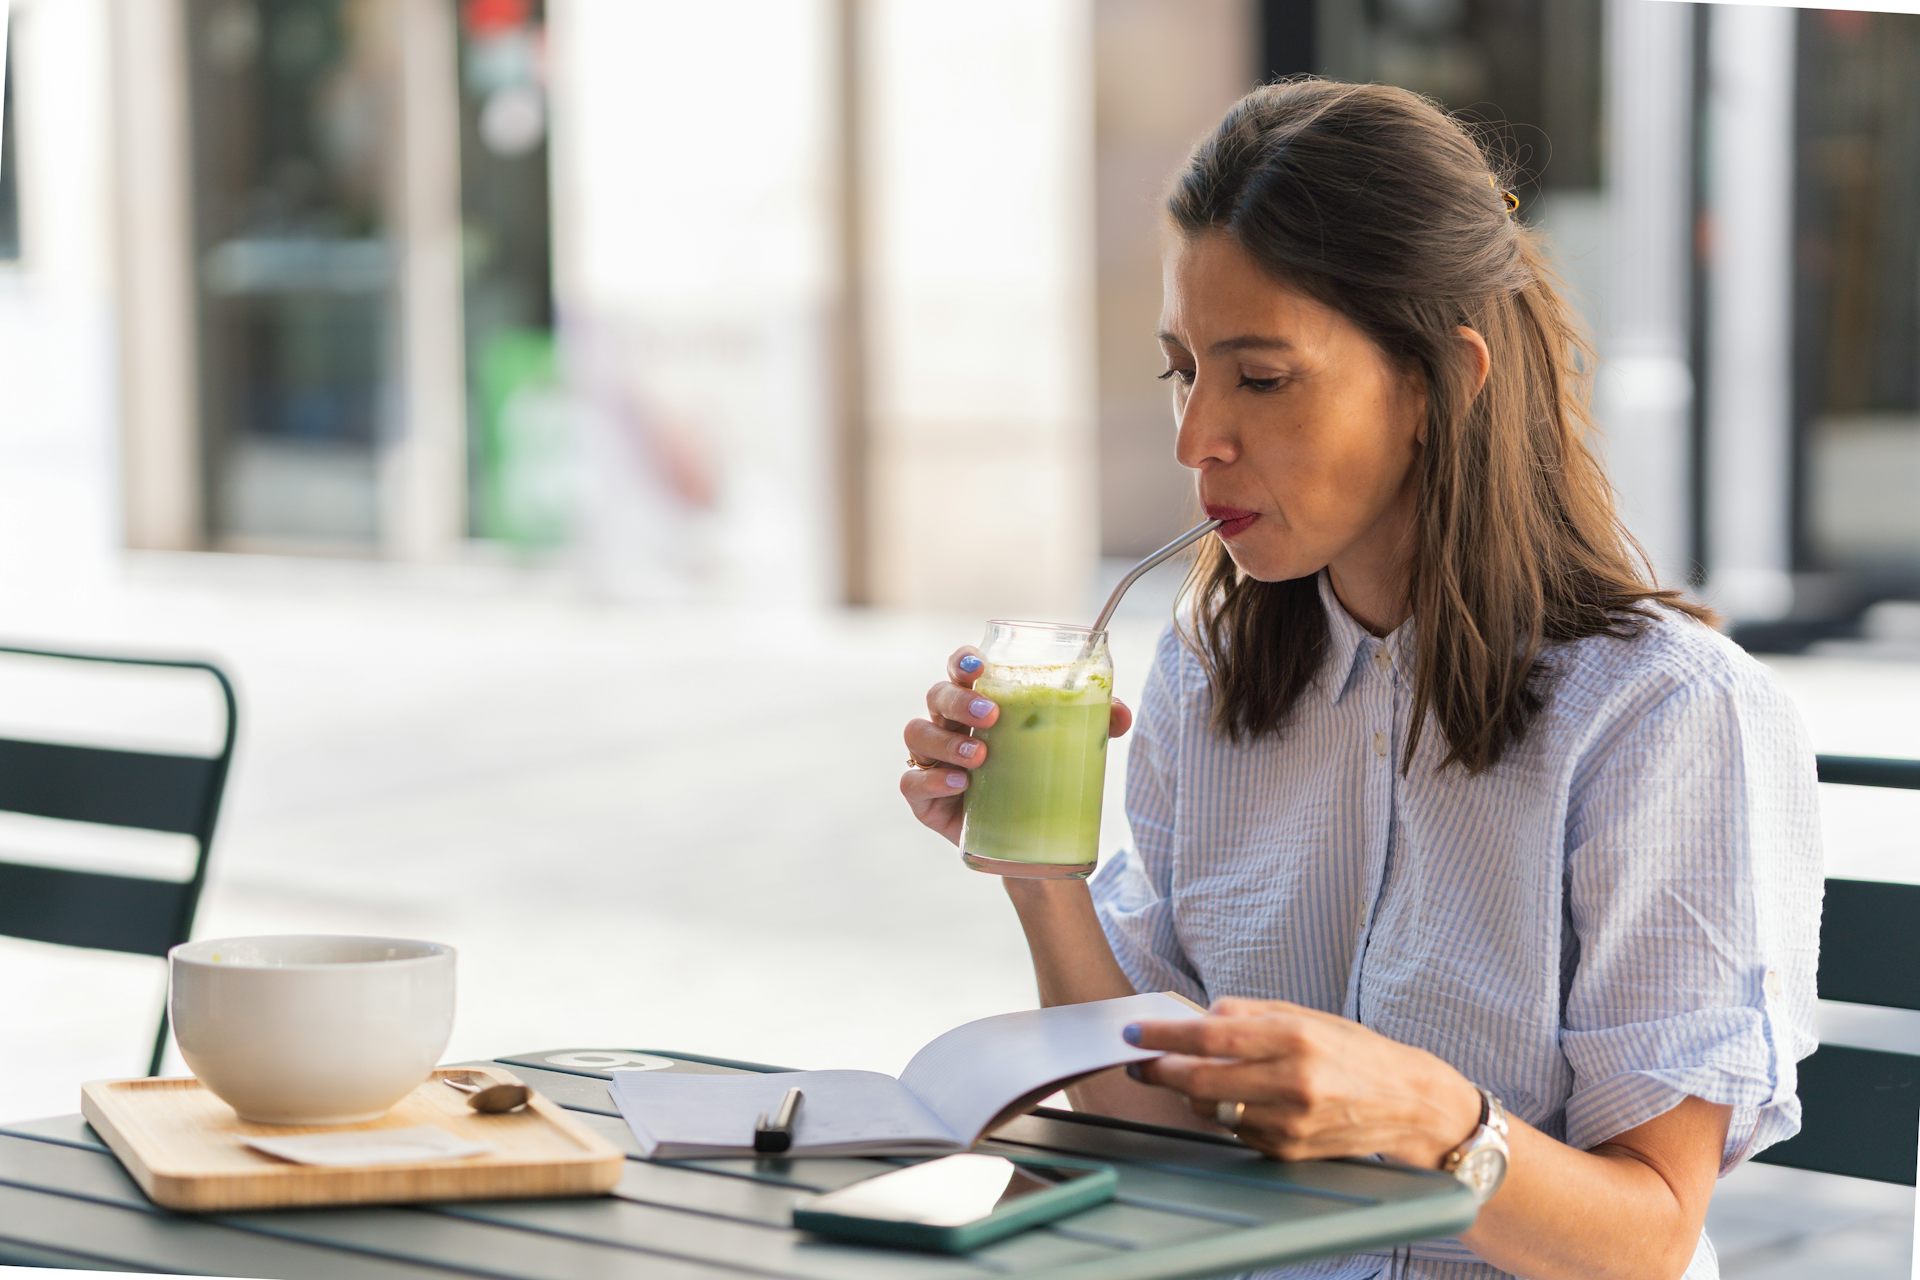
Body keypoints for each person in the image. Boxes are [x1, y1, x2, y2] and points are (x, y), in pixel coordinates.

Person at [899, 79, 1821, 1280]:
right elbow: (1155, 1118)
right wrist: (1039, 871)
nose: (1197, 439)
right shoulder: (1205, 676)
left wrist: (1436, 1124)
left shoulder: (1664, 716)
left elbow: (1648, 1237)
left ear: (1443, 382)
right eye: (1184, 370)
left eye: (1262, 377)